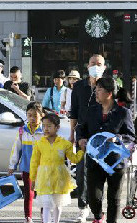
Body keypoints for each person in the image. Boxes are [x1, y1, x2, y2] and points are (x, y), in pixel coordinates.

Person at [76, 77, 135, 223]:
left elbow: (131, 137)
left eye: (99, 89)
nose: (96, 92)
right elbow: (81, 128)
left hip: (115, 162)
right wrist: (81, 139)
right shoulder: (91, 110)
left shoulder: (123, 113)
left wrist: (117, 138)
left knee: (114, 199)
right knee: (93, 197)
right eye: (96, 89)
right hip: (94, 160)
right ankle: (98, 215)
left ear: (109, 93)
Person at [30, 113, 85, 223]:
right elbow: (34, 162)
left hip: (59, 177)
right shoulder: (39, 144)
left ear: (57, 127)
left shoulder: (65, 144)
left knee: (58, 203)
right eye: (44, 126)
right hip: (44, 177)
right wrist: (33, 178)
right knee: (46, 204)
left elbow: (74, 159)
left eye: (49, 126)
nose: (45, 129)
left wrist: (81, 150)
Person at [70, 54, 106, 222]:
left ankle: (97, 209)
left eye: (99, 64)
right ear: (87, 66)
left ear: (104, 67)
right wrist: (72, 134)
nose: (96, 66)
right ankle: (82, 207)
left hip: (102, 135)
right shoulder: (78, 87)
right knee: (82, 172)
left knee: (99, 173)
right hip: (83, 135)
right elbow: (74, 112)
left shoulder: (109, 85)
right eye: (93, 63)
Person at [8, 101, 45, 223]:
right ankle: (28, 217)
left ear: (42, 115)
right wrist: (12, 165)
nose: (32, 118)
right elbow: (16, 149)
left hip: (43, 168)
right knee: (29, 194)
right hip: (26, 167)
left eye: (35, 115)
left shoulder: (45, 131)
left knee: (43, 194)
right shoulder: (22, 131)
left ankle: (44, 217)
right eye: (29, 115)